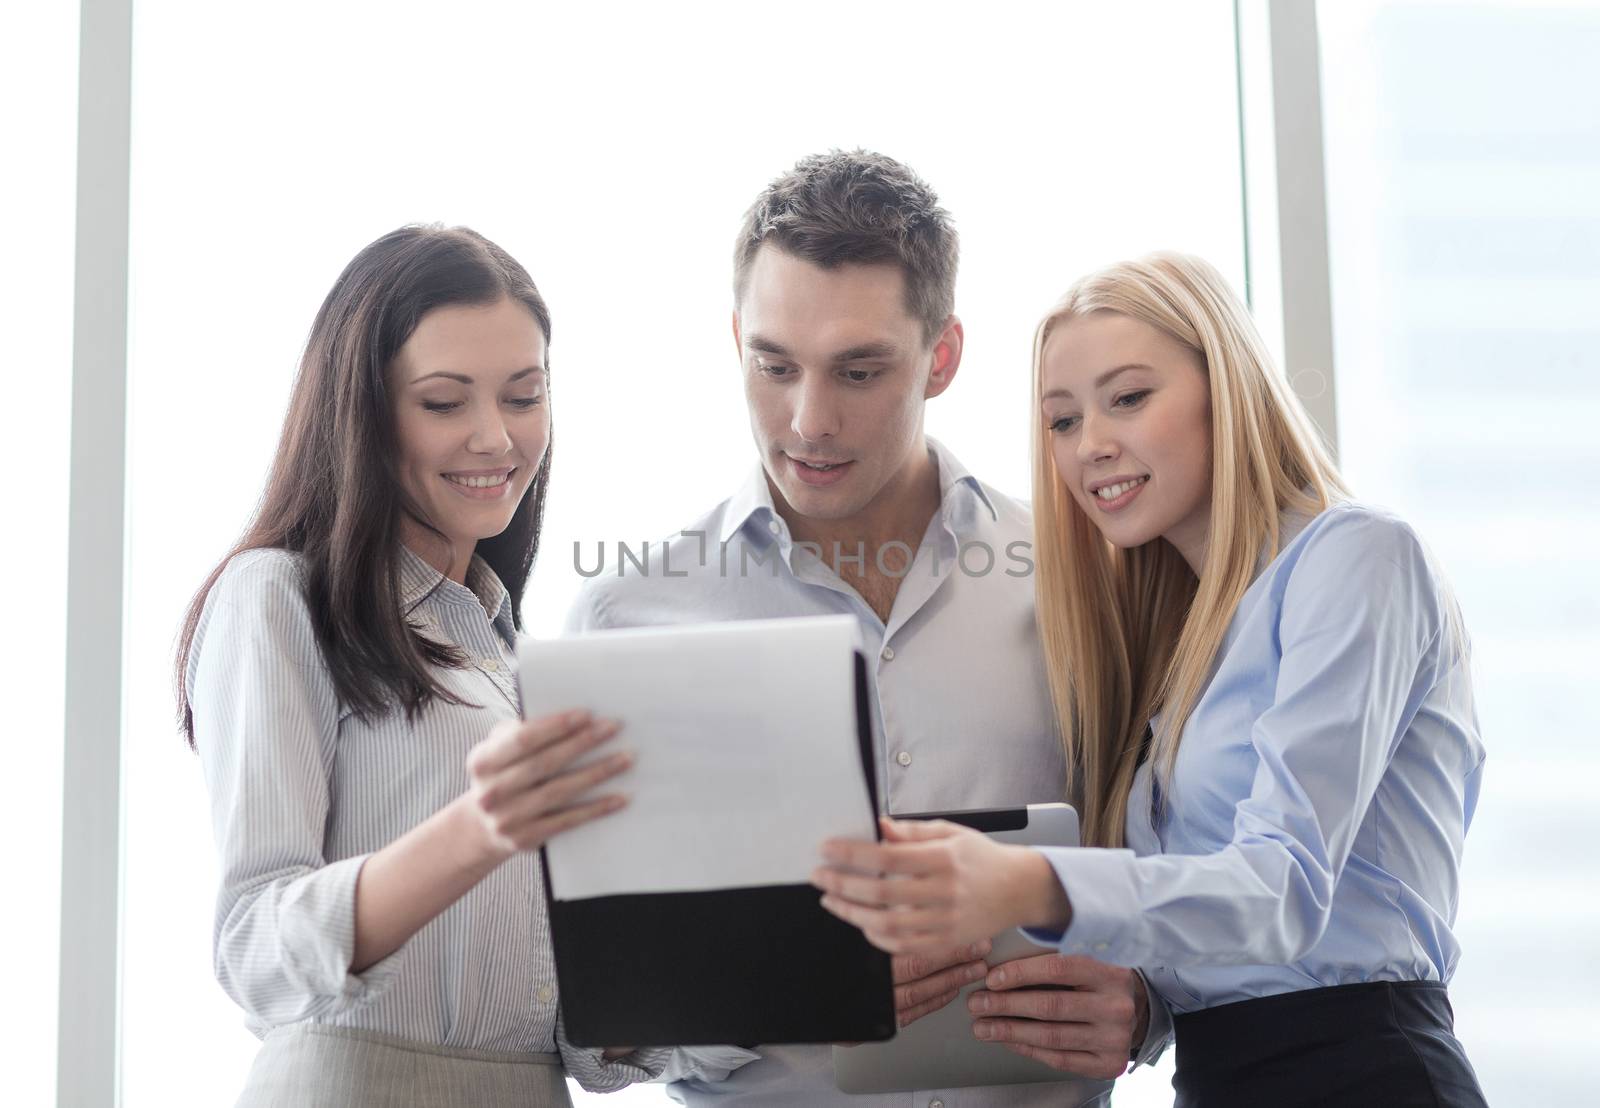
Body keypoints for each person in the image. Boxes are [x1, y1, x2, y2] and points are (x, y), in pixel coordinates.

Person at [812, 252, 1489, 1107]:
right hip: (1216, 1080)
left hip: (1362, 1071)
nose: (1090, 444)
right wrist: (1135, 1004)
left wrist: (1021, 883)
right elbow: (1209, 944)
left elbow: (1281, 889)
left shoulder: (1357, 559)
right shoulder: (1177, 638)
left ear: (1225, 388)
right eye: (1061, 421)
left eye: (1129, 398)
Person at [567, 151, 1168, 1106]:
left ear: (943, 356)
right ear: (735, 340)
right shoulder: (628, 619)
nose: (809, 420)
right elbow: (595, 1040)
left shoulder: (1087, 577)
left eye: (858, 370)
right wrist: (793, 985)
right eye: (773, 365)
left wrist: (1149, 1007)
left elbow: (1191, 872)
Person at [175, 225, 665, 1106]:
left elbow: (585, 1041)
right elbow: (253, 943)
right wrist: (479, 830)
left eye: (524, 396)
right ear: (362, 412)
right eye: (445, 403)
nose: (496, 438)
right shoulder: (278, 598)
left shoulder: (509, 658)